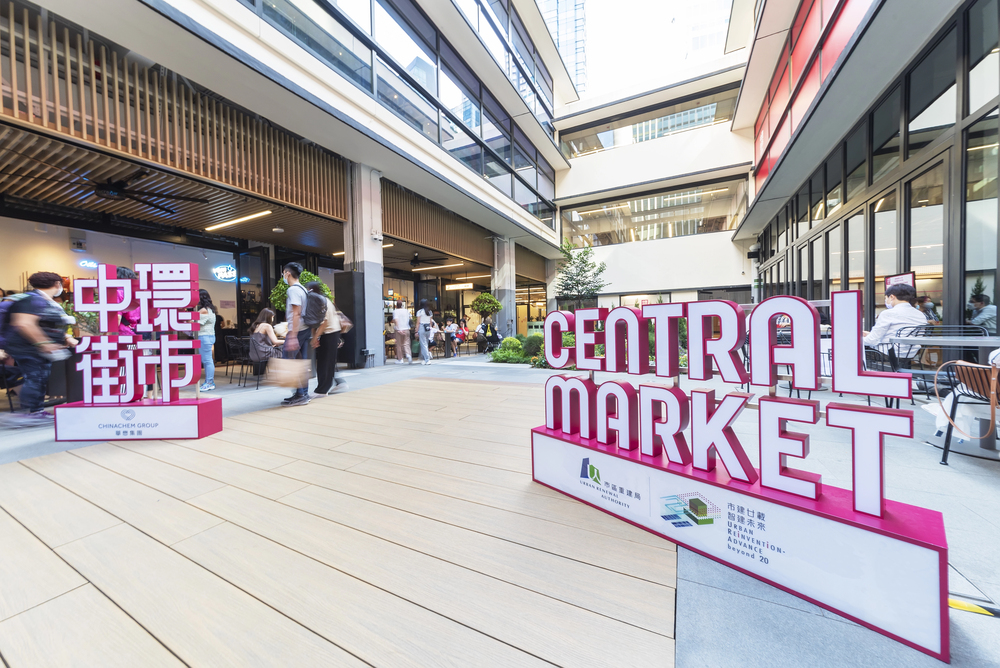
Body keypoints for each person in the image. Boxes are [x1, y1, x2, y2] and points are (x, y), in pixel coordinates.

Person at [2, 272, 77, 426]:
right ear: (57, 284)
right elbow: (24, 323)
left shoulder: (45, 300)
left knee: (40, 378)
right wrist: (43, 343)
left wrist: (65, 337)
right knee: (35, 378)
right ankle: (31, 412)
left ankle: (35, 411)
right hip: (28, 348)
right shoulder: (32, 300)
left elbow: (47, 325)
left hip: (37, 349)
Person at [862, 284, 928, 357]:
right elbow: (900, 334)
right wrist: (870, 334)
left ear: (892, 297)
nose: (886, 300)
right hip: (910, 354)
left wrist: (854, 339)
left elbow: (872, 340)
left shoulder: (888, 313)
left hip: (887, 354)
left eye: (886, 298)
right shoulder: (921, 315)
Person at [281, 262, 312, 406]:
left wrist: (292, 336)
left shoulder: (293, 290)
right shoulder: (303, 289)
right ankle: (304, 393)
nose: (283, 277)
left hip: (297, 330)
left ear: (287, 273)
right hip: (305, 329)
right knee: (301, 362)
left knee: (289, 360)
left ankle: (300, 394)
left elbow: (296, 313)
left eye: (283, 273)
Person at [308, 282, 346, 397]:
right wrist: (316, 335)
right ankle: (323, 388)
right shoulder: (323, 300)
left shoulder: (320, 301)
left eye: (308, 290)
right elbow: (316, 322)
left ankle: (322, 390)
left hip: (330, 333)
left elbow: (324, 322)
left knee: (325, 363)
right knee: (326, 362)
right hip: (329, 333)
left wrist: (315, 338)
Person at [196, 289, 218, 391]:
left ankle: (209, 382)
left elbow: (194, 323)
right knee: (207, 360)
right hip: (209, 336)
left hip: (204, 336)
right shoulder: (211, 309)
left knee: (207, 361)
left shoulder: (203, 310)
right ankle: (209, 381)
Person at [392, 300, 412, 364]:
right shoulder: (406, 310)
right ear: (402, 305)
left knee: (399, 345)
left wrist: (399, 329)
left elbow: (396, 320)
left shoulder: (395, 311)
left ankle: (400, 359)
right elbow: (410, 318)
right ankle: (408, 354)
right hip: (406, 328)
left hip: (399, 330)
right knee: (406, 343)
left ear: (396, 305)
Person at [416, 299, 434, 365]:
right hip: (428, 328)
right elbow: (431, 321)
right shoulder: (429, 312)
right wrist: (430, 328)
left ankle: (427, 359)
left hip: (422, 327)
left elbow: (418, 323)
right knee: (426, 343)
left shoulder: (419, 312)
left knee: (423, 344)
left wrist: (416, 331)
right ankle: (424, 359)